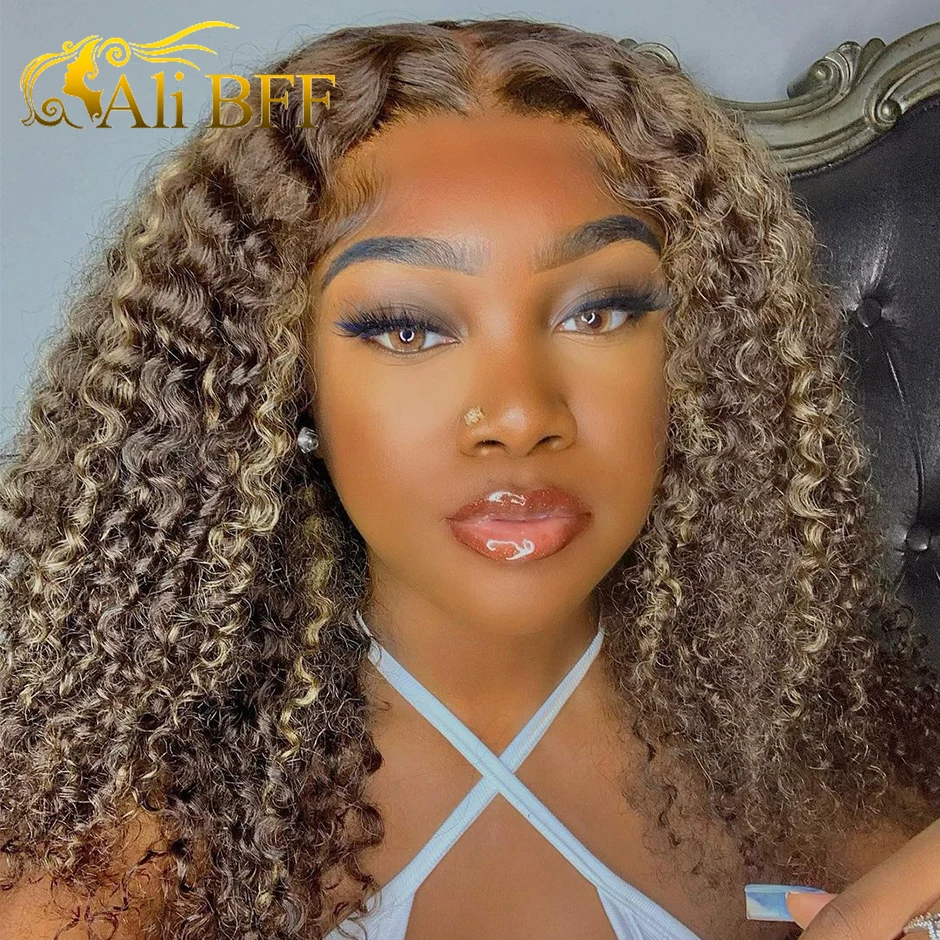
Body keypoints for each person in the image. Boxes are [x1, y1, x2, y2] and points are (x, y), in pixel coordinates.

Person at [1, 16, 938, 940]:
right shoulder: (126, 827)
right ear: (282, 381)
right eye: (408, 329)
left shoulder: (828, 759)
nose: (521, 415)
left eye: (599, 314)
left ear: (697, 360)